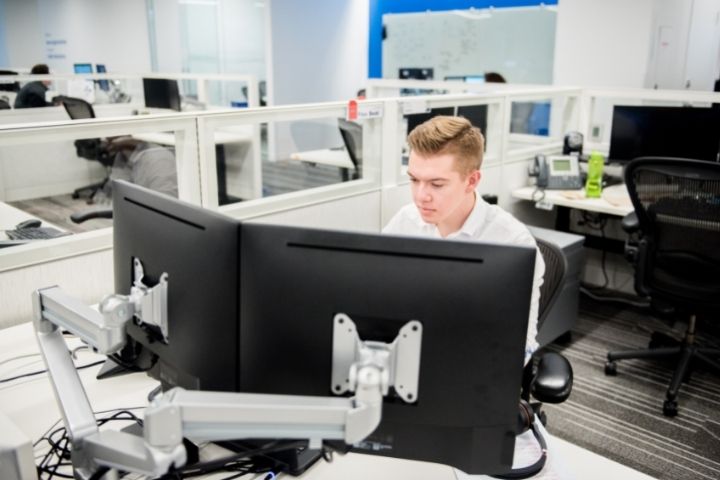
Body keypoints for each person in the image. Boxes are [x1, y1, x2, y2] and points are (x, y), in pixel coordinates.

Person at [383, 116, 544, 364]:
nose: (420, 196)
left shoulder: (512, 243)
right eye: (414, 180)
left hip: (472, 365)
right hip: (408, 354)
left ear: (471, 181)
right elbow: (377, 295)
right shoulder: (406, 221)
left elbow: (522, 344)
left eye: (436, 184)